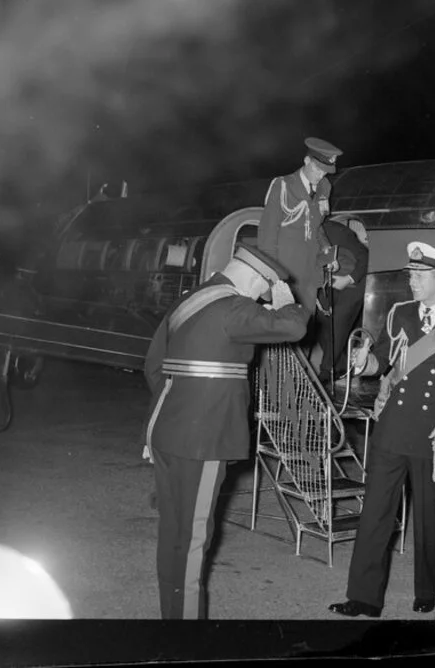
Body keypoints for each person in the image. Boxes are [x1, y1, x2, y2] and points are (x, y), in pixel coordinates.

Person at [142, 243, 309, 619]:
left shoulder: (189, 300)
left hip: (166, 432)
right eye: (262, 290)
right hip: (205, 441)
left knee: (172, 536)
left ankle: (170, 621)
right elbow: (294, 327)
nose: (259, 300)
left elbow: (153, 366)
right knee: (194, 541)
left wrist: (177, 411)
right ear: (255, 278)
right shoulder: (233, 306)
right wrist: (286, 301)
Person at [329, 242, 435, 618]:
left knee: (428, 517)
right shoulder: (400, 314)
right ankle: (363, 597)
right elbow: (384, 360)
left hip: (432, 438)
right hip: (392, 430)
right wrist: (366, 363)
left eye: (419, 276)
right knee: (375, 514)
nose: (411, 282)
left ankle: (426, 589)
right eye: (410, 275)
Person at [257, 137, 343, 317]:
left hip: (310, 273)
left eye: (325, 172)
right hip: (285, 274)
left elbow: (316, 226)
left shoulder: (324, 187)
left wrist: (327, 253)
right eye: (318, 169)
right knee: (284, 332)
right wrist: (274, 279)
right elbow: (267, 237)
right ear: (306, 161)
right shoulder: (283, 186)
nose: (321, 176)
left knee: (306, 330)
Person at [315, 217, 369, 385]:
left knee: (339, 321)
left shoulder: (337, 231)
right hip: (327, 283)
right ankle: (340, 367)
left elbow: (365, 256)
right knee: (320, 321)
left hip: (354, 281)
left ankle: (326, 370)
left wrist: (349, 279)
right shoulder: (299, 234)